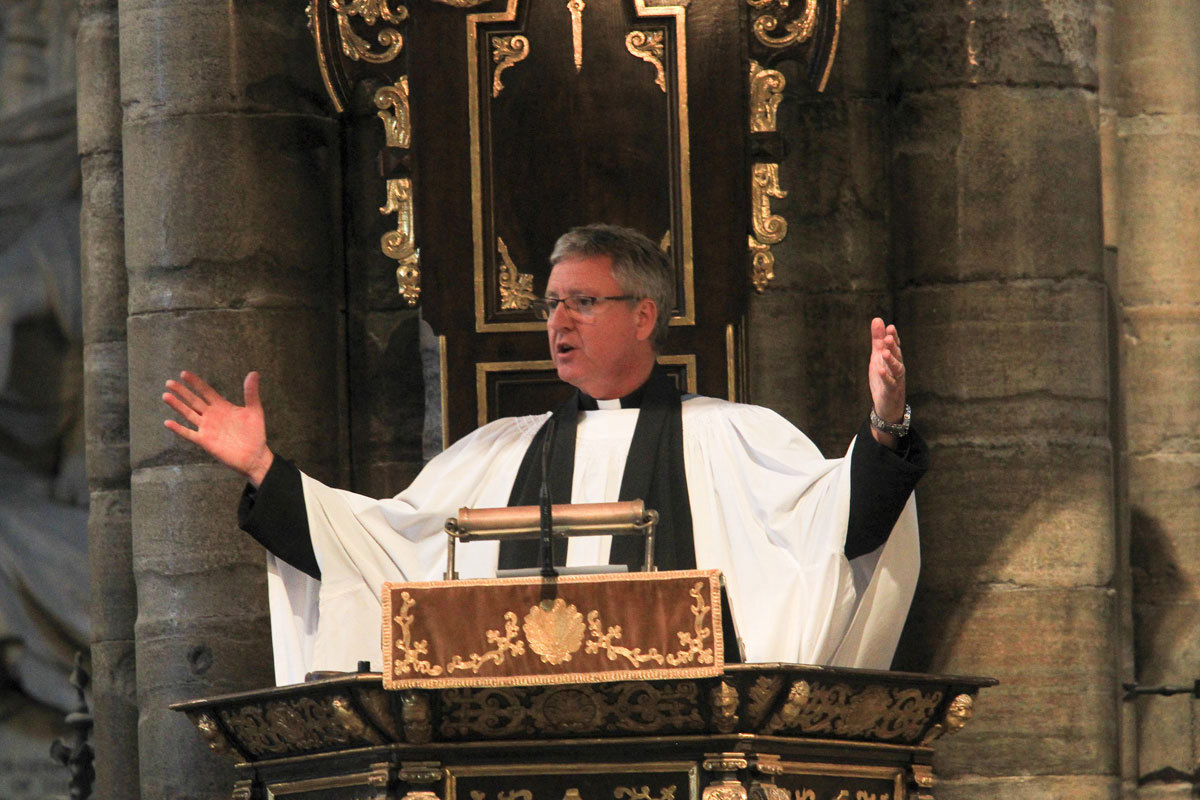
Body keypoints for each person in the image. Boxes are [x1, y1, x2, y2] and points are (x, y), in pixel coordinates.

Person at [163, 224, 927, 684]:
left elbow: (837, 528)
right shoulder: (496, 455)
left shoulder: (732, 437)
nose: (558, 321)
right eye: (551, 303)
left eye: (582, 302)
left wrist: (885, 424)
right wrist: (265, 470)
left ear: (644, 316)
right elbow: (376, 549)